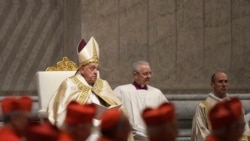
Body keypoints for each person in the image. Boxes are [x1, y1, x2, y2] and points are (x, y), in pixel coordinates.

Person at [47, 36, 124, 127]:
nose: (95, 72)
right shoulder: (69, 84)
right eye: (92, 68)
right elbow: (61, 113)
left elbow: (118, 107)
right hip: (81, 128)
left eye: (96, 68)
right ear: (82, 69)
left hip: (105, 126)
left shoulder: (103, 84)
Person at [114, 60, 168, 140]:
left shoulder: (157, 93)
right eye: (145, 74)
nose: (149, 76)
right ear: (135, 75)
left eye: (150, 73)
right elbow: (111, 111)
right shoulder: (122, 91)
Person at [191, 71, 250, 141]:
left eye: (226, 81)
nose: (224, 84)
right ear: (212, 84)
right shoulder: (203, 107)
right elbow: (200, 132)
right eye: (220, 82)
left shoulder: (235, 106)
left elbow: (245, 130)